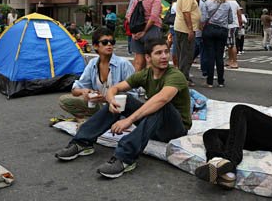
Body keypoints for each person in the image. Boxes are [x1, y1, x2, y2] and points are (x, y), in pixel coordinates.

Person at [54, 38, 191, 179]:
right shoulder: (145, 74)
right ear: (148, 57)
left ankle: (125, 157)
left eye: (166, 52)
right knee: (125, 99)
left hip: (175, 129)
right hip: (154, 125)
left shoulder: (175, 75)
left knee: (161, 105)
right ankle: (82, 142)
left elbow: (162, 99)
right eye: (158, 53)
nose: (164, 56)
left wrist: (129, 120)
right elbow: (116, 87)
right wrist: (111, 100)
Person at [59, 27, 134, 121]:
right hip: (98, 107)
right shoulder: (92, 64)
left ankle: (92, 120)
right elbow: (75, 89)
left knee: (86, 127)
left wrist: (108, 99)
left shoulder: (123, 64)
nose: (109, 44)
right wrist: (84, 92)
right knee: (64, 100)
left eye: (112, 41)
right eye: (105, 42)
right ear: (95, 46)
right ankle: (94, 120)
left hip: (118, 110)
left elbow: (134, 96)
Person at [125, 0, 163, 71]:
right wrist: (144, 31)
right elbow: (153, 17)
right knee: (151, 61)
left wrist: (135, 30)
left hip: (136, 33)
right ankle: (149, 84)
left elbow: (129, 15)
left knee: (138, 61)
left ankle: (134, 84)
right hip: (152, 31)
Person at [201, 0, 233, 88]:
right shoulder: (227, 5)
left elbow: (203, 18)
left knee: (210, 55)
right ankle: (221, 81)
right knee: (219, 56)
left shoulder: (207, 3)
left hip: (210, 29)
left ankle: (209, 81)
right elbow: (230, 20)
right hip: (222, 30)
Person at [174, 0, 201, 85]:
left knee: (184, 53)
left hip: (183, 28)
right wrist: (190, 29)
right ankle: (183, 77)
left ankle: (183, 76)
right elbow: (186, 12)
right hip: (185, 29)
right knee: (186, 54)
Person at [225, 0, 242, 69]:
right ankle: (230, 60)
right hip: (235, 25)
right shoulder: (235, 2)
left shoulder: (225, 3)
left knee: (231, 44)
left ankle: (234, 62)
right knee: (230, 44)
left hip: (229, 25)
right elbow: (239, 14)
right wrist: (240, 24)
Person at [194, 0, 209, 71]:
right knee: (202, 50)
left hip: (198, 30)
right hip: (200, 30)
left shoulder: (201, 2)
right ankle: (205, 70)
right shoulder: (201, 3)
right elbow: (202, 17)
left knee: (197, 50)